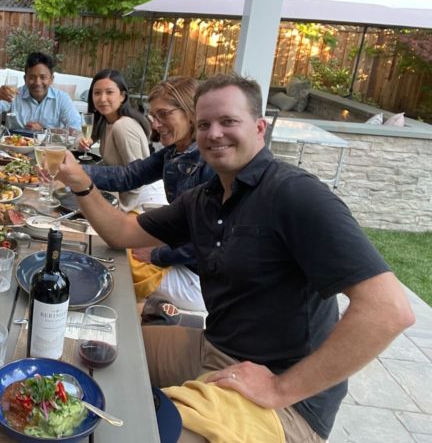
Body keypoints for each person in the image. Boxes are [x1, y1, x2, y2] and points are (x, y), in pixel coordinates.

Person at [55, 73, 414, 442]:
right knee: (84, 349)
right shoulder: (204, 198)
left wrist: (280, 389)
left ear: (259, 128)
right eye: (205, 124)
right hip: (215, 348)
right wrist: (80, 181)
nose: (214, 134)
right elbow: (121, 232)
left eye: (228, 121)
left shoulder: (295, 194)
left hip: (287, 402)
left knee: (139, 434)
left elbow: (388, 310)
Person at [83, 76, 214, 311]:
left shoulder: (211, 164)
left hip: (199, 279)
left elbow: (209, 243)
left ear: (190, 113)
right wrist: (78, 172)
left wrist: (157, 255)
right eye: (154, 116)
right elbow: (129, 175)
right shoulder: (174, 152)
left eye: (164, 114)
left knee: (116, 263)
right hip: (178, 255)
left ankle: (139, 317)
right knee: (112, 245)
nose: (155, 125)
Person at [77, 68, 162, 209]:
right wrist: (81, 142)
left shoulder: (123, 126)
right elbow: (81, 137)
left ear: (122, 96)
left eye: (109, 92)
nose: (102, 98)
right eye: (97, 93)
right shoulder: (105, 121)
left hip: (142, 204)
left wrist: (119, 210)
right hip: (118, 195)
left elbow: (138, 178)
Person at [0, 51, 81, 132]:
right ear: (25, 78)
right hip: (14, 148)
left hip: (48, 150)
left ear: (51, 79)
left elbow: (76, 128)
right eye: (32, 77)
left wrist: (44, 130)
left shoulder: (61, 99)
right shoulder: (15, 95)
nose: (37, 83)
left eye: (43, 77)